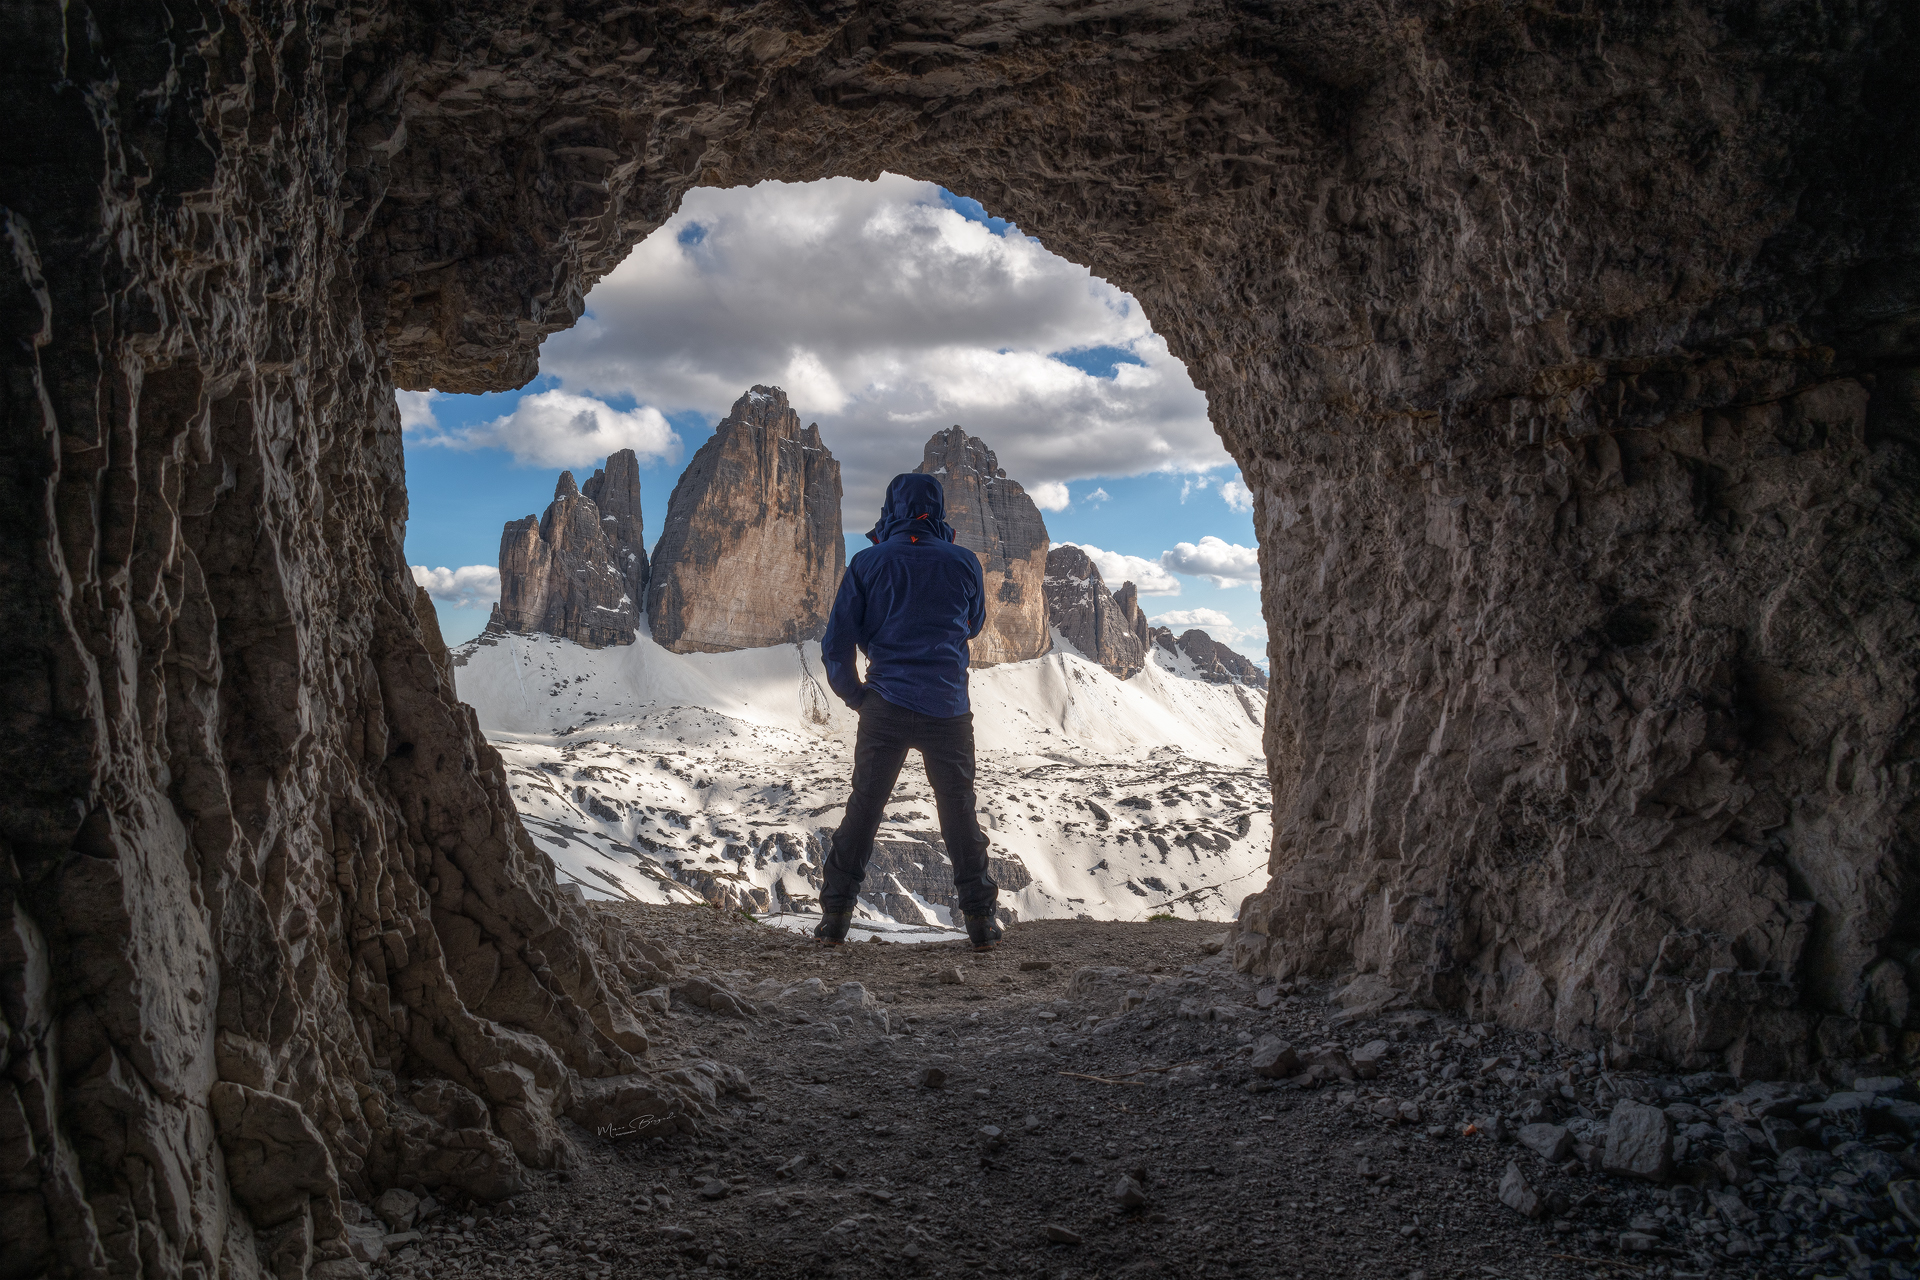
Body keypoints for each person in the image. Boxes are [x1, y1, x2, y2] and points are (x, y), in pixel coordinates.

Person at [815, 473, 1003, 951]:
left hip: (886, 704)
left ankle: (835, 917)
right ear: (937, 508)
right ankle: (980, 921)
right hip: (948, 706)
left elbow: (836, 644)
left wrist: (858, 697)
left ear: (891, 506)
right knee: (959, 811)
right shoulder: (964, 562)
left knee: (864, 808)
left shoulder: (867, 562)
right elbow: (974, 624)